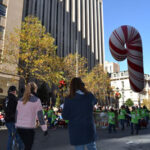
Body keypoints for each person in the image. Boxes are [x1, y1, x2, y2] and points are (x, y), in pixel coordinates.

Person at [62, 77, 97, 150]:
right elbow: (95, 101)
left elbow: (65, 116)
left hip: (76, 130)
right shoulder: (89, 96)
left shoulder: (69, 99)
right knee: (92, 147)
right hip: (89, 128)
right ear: (82, 85)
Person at [15, 82, 48, 150]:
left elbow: (17, 114)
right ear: (35, 89)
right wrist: (44, 129)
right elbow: (40, 116)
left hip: (19, 128)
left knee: (23, 146)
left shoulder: (20, 100)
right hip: (29, 128)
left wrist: (15, 126)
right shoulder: (37, 100)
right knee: (28, 147)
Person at [3, 86, 24, 150]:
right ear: (14, 91)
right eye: (15, 91)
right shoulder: (14, 99)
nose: (16, 93)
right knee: (18, 137)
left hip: (7, 120)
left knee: (11, 136)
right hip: (13, 121)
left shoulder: (6, 99)